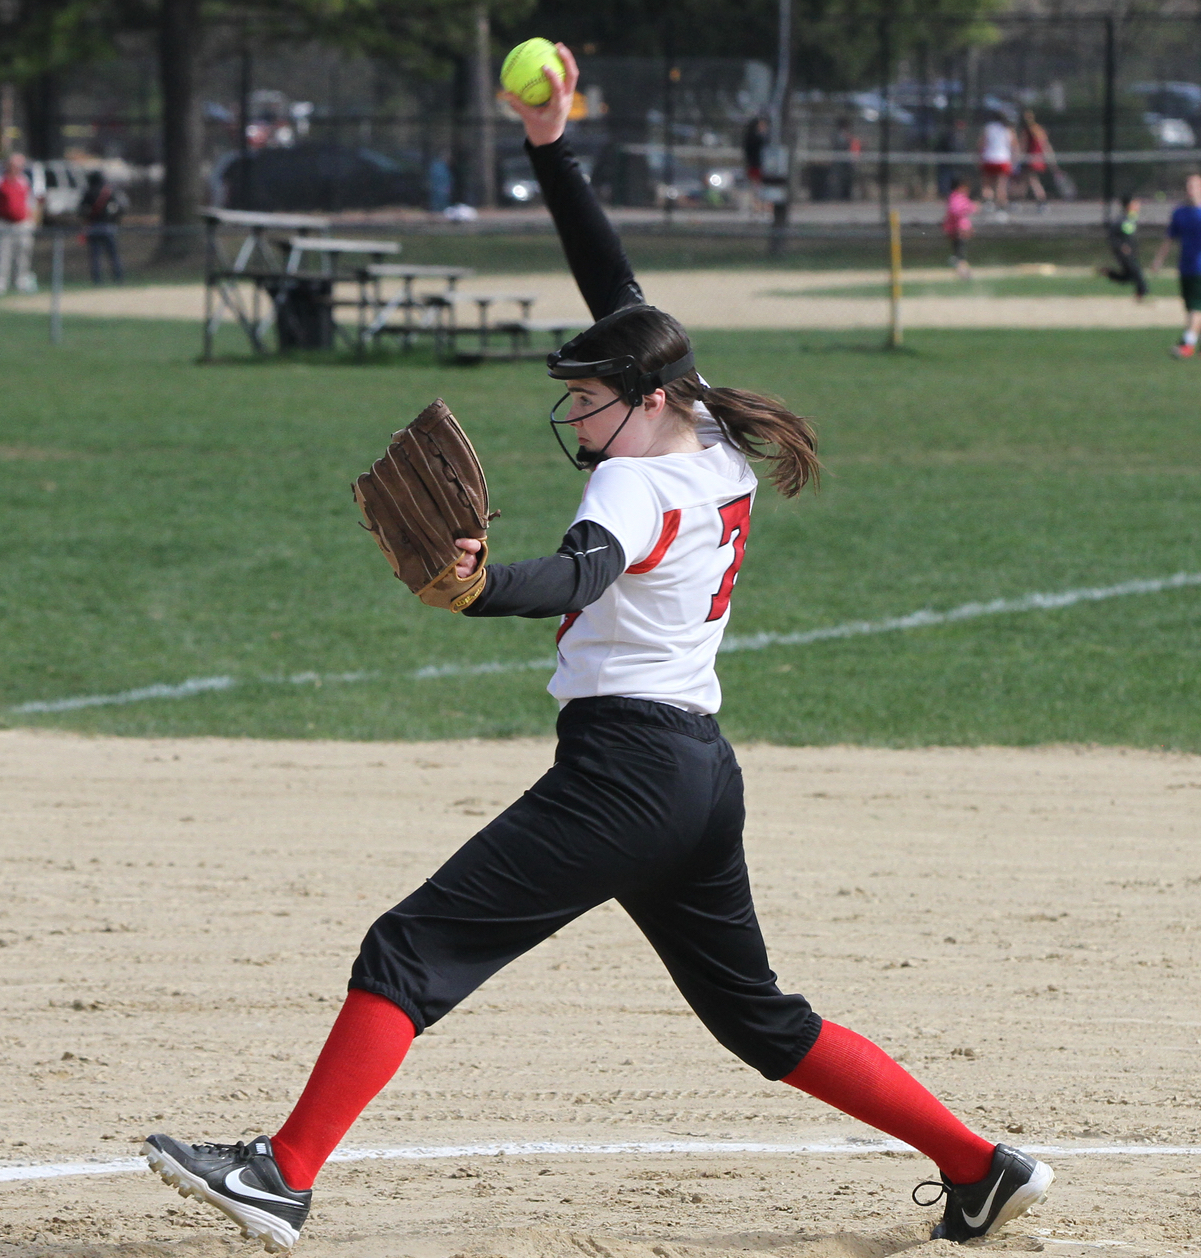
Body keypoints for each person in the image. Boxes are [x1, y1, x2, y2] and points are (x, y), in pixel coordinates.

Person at [142, 41, 1054, 1254]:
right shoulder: (704, 431)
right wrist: (550, 144)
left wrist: (474, 591)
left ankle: (281, 1173)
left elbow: (577, 575)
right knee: (760, 1021)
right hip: (695, 776)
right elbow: (614, 284)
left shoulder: (634, 484)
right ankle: (979, 1165)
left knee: (411, 947)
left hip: (625, 770)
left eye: (588, 397)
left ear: (647, 398)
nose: (576, 414)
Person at [1151, 172, 1201, 357]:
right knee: (1191, 307)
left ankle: (1187, 344)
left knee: (1196, 307)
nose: (1191, 190)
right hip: (1185, 267)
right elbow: (1169, 238)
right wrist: (1158, 260)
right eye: (1188, 186)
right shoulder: (1180, 213)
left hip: (1200, 268)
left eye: (1195, 186)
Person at [79, 169, 126, 284]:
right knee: (113, 254)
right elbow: (121, 207)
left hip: (93, 226)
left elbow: (80, 210)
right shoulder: (109, 191)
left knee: (95, 256)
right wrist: (114, 219)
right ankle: (118, 278)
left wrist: (88, 217)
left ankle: (97, 280)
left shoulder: (88, 192)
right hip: (108, 226)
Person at [0, 151, 38, 294]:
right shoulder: (2, 181)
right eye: (14, 165)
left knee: (23, 253)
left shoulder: (24, 181)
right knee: (4, 253)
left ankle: (21, 281)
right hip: (4, 223)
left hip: (22, 223)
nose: (17, 168)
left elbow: (31, 202)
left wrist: (32, 219)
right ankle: (2, 282)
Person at [1100, 194, 1147, 301]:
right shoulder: (1121, 220)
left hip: (1131, 252)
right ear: (1128, 205)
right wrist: (1120, 246)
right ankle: (1142, 293)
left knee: (1128, 276)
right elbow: (1112, 236)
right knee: (1137, 273)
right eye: (1135, 203)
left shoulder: (1131, 218)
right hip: (1124, 252)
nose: (1138, 205)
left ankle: (1109, 273)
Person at [1014, 111, 1055, 211]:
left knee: (1032, 181)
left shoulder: (1027, 131)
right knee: (1025, 181)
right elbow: (1046, 145)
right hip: (1039, 160)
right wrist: (1050, 158)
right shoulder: (1040, 129)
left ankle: (1042, 202)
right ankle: (1016, 201)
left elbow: (1022, 146)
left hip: (1031, 160)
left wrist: (1018, 158)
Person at [978, 112, 1016, 215]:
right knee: (1001, 185)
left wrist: (979, 157)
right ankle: (1001, 207)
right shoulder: (1008, 129)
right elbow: (1013, 146)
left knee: (987, 184)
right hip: (1003, 159)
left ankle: (988, 203)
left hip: (989, 158)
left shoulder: (989, 128)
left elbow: (982, 143)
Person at [943, 177, 977, 279]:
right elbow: (956, 211)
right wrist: (969, 208)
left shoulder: (958, 197)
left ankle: (960, 268)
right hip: (958, 230)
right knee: (960, 253)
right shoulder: (956, 197)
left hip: (960, 229)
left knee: (960, 252)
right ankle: (963, 273)